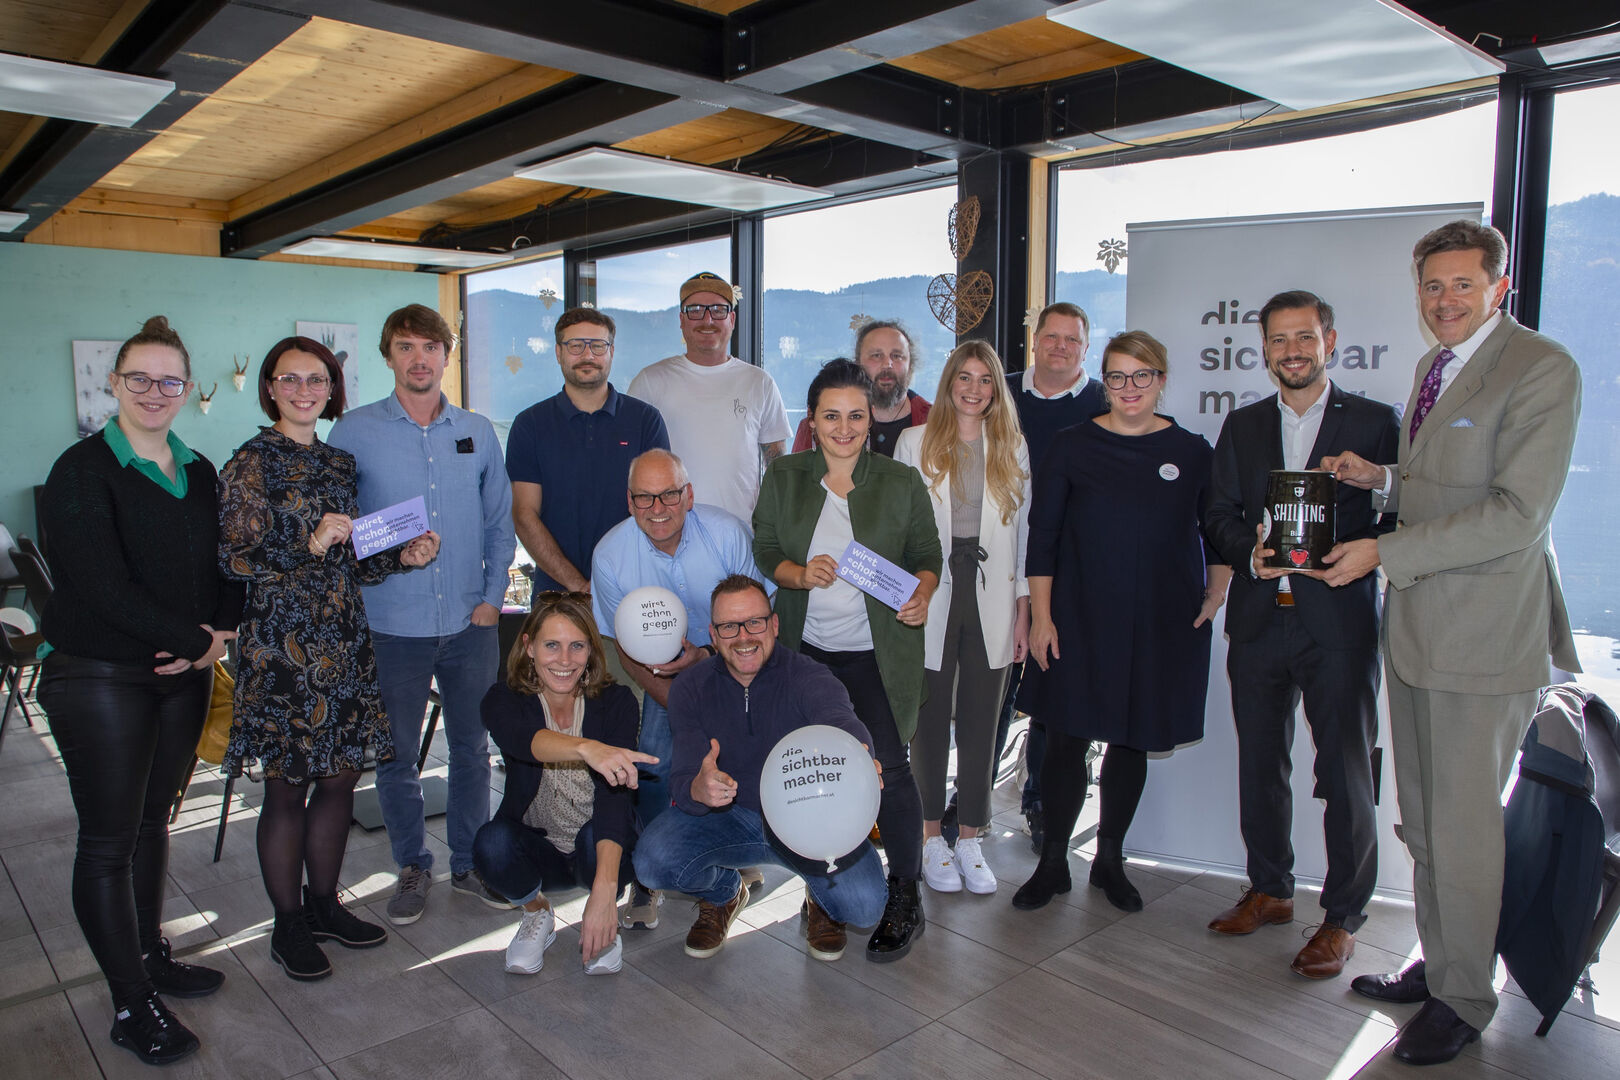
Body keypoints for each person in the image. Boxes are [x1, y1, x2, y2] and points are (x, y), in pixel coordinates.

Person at [1320, 220, 1582, 1066]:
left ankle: (1465, 998)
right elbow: (1447, 485)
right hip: (1420, 630)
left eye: (1463, 284)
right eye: (1432, 286)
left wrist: (1383, 552)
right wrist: (1384, 480)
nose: (1445, 300)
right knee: (1427, 823)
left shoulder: (1541, 368)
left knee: (1465, 831)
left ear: (1500, 286)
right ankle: (1443, 966)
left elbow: (1516, 514)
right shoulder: (1435, 366)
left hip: (1484, 638)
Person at [36, 316, 242, 1066]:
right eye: (139, 379)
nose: (155, 392)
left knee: (155, 821)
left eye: (169, 380)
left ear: (186, 388)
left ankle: (150, 955)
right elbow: (99, 583)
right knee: (108, 841)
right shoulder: (81, 470)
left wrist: (219, 632)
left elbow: (225, 564)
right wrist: (193, 641)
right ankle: (130, 1003)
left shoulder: (200, 469)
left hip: (183, 674)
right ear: (114, 383)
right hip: (99, 677)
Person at [218, 337, 442, 981]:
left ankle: (324, 905)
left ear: (331, 389)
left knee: (341, 780)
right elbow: (234, 559)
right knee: (288, 787)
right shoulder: (250, 463)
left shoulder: (339, 463)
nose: (303, 390)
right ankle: (287, 923)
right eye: (289, 379)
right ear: (270, 388)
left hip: (343, 642)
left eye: (316, 379)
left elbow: (353, 560)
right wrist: (310, 544)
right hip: (281, 650)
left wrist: (401, 556)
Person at [1202, 292, 1400, 979]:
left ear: (1329, 342)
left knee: (1345, 773)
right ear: (1264, 349)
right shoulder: (1244, 424)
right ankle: (1271, 888)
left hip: (1338, 623)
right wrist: (1247, 553)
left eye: (1305, 337)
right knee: (1261, 763)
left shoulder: (1373, 422)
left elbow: (1399, 517)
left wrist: (1366, 547)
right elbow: (1218, 512)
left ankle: (1342, 918)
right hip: (1260, 619)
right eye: (1280, 340)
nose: (1292, 351)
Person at [1014, 330, 1231, 914]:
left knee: (1132, 740)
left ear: (1161, 380)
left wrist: (1216, 592)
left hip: (1159, 623)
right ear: (1103, 382)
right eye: (1117, 376)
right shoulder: (1071, 445)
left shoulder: (1192, 451)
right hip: (1077, 619)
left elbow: (1219, 528)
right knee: (1065, 740)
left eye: (1141, 376)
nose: (1129, 387)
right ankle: (1052, 861)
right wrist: (1041, 616)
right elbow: (1043, 537)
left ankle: (1109, 859)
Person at [327, 303, 516, 924]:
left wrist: (492, 599)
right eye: (406, 346)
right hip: (389, 625)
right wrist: (388, 545)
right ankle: (411, 864)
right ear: (388, 355)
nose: (419, 358)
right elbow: (338, 529)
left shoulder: (478, 430)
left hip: (469, 623)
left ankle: (468, 862)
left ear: (447, 355)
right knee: (396, 757)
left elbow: (499, 523)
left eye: (431, 347)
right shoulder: (353, 432)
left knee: (472, 750)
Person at [753, 358, 942, 960]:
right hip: (805, 655)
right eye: (830, 416)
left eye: (855, 416)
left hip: (876, 656)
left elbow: (927, 553)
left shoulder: (899, 481)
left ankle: (905, 893)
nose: (844, 428)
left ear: (871, 420)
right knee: (814, 771)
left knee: (892, 769)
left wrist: (921, 594)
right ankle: (820, 894)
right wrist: (797, 574)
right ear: (811, 420)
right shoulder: (785, 476)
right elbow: (765, 548)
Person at [632, 576, 889, 961]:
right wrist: (698, 789)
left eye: (754, 622)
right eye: (729, 627)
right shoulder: (691, 687)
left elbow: (840, 720)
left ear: (774, 624)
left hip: (807, 819)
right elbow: (683, 779)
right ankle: (724, 894)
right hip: (728, 818)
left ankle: (820, 901)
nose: (743, 637)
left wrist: (860, 753)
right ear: (713, 635)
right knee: (652, 862)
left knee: (866, 906)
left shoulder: (808, 675)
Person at [589, 448, 774, 929]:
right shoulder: (610, 555)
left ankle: (729, 852)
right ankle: (649, 873)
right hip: (664, 677)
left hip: (736, 663)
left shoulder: (728, 534)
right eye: (644, 497)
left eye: (669, 494)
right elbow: (624, 647)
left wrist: (711, 660)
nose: (658, 508)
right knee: (653, 762)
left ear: (688, 495)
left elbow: (758, 623)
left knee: (740, 754)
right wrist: (680, 705)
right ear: (629, 501)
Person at [894, 341, 1030, 896]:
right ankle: (931, 837)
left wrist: (1023, 610)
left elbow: (1023, 535)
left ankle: (970, 836)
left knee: (982, 718)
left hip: (993, 592)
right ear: (949, 382)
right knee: (927, 720)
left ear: (996, 389)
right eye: (965, 378)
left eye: (985, 380)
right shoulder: (914, 442)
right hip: (931, 589)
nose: (974, 389)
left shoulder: (1013, 446)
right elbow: (899, 530)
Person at [474, 593, 651, 975]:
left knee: (599, 836)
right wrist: (587, 749)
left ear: (591, 650)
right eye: (552, 645)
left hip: (598, 845)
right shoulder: (503, 699)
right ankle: (537, 912)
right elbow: (523, 741)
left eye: (577, 646)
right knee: (490, 844)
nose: (565, 660)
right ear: (529, 647)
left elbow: (615, 800)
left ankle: (604, 916)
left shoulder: (617, 702)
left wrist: (604, 893)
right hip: (541, 848)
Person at [992, 302, 1110, 848]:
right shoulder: (1000, 393)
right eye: (1052, 336)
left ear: (1085, 348)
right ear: (1034, 339)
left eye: (1072, 340)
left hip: (1067, 566)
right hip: (998, 558)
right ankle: (972, 797)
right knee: (996, 684)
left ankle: (1039, 800)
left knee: (1052, 685)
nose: (1061, 347)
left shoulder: (1103, 402)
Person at [506, 307, 669, 593]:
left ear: (611, 352)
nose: (587, 355)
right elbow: (524, 515)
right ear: (558, 352)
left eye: (597, 345)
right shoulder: (530, 425)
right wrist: (579, 587)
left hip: (631, 587)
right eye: (575, 345)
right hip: (555, 593)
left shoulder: (645, 420)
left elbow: (658, 508)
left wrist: (607, 582)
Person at [627, 272, 791, 520]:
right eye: (695, 310)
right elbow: (630, 464)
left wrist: (772, 523)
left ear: (732, 319)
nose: (707, 319)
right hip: (667, 529)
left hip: (742, 530)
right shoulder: (650, 382)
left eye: (718, 310)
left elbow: (777, 466)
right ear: (681, 320)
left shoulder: (759, 383)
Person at [791, 320, 930, 456]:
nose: (887, 364)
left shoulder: (935, 422)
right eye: (876, 355)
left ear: (910, 365)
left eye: (897, 356)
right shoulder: (816, 426)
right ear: (857, 363)